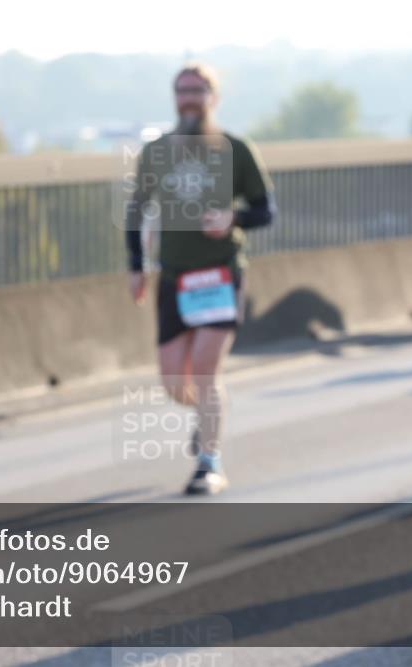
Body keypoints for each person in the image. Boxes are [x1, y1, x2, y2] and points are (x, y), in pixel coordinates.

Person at [125, 63, 275, 495]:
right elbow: (136, 211)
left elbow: (266, 210)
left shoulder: (235, 150)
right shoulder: (156, 152)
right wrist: (136, 266)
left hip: (220, 274)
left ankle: (209, 460)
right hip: (174, 277)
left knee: (207, 371)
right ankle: (207, 419)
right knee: (175, 383)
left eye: (198, 90)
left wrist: (234, 218)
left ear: (214, 97)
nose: (189, 98)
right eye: (181, 91)